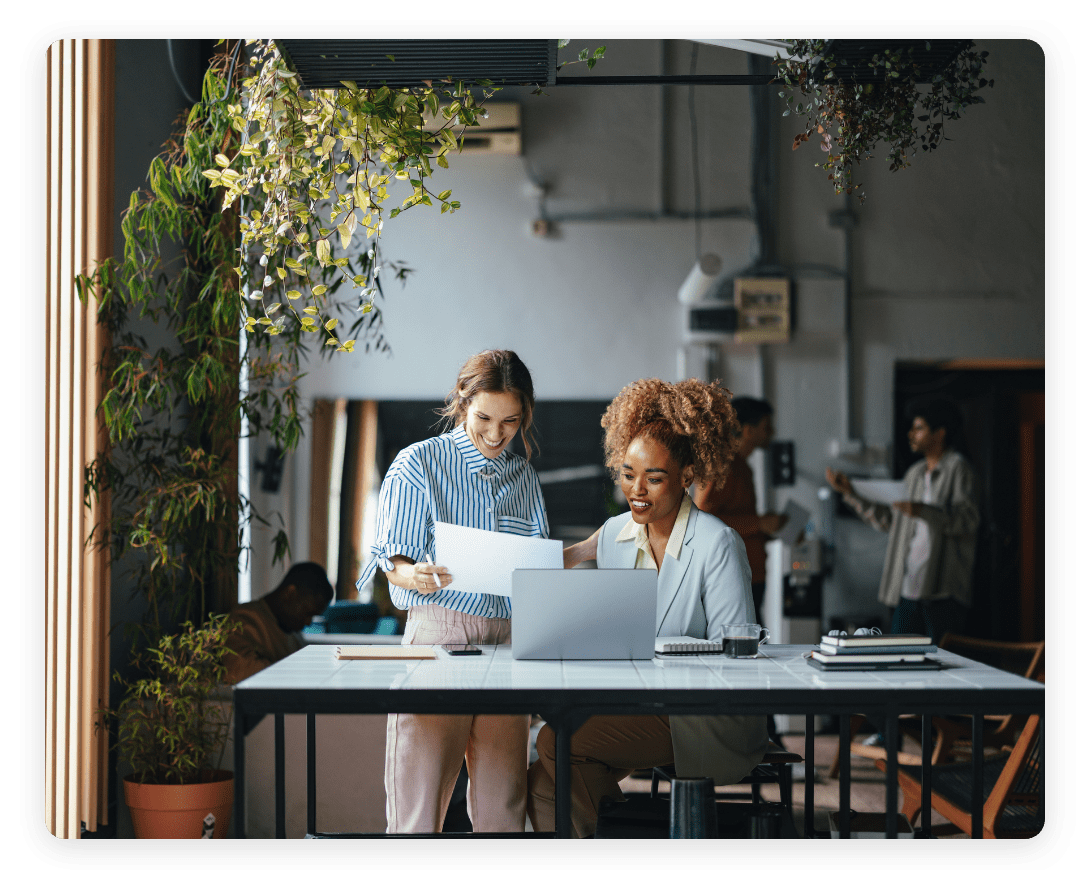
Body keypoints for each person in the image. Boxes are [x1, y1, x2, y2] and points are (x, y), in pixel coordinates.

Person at [356, 349, 589, 835]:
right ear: (462, 402)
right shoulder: (418, 463)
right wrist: (410, 573)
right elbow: (391, 561)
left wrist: (586, 551)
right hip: (438, 635)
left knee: (503, 806)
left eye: (511, 420)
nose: (496, 433)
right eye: (484, 417)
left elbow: (535, 569)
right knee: (417, 809)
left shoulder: (523, 476)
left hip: (506, 643)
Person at [526, 378, 768, 838]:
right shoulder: (617, 533)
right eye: (627, 473)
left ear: (687, 475)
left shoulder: (717, 543)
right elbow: (603, 615)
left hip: (704, 710)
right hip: (639, 700)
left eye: (654, 478)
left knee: (555, 743)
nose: (637, 490)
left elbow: (739, 657)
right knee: (541, 785)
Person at [825, 395, 980, 642]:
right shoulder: (915, 474)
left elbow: (968, 520)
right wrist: (851, 494)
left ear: (940, 434)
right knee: (900, 658)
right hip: (908, 587)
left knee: (943, 663)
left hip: (942, 590)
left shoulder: (958, 468)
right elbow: (891, 521)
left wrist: (923, 511)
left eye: (919, 428)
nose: (911, 434)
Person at [693, 395, 787, 624]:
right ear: (747, 431)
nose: (772, 432)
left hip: (750, 574)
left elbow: (735, 523)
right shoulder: (723, 466)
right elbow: (703, 519)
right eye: (766, 426)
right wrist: (759, 523)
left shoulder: (742, 466)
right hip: (733, 577)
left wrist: (771, 528)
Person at [223, 562, 334, 685]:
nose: (308, 622)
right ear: (290, 593)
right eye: (307, 613)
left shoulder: (291, 631)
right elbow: (237, 671)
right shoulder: (244, 620)